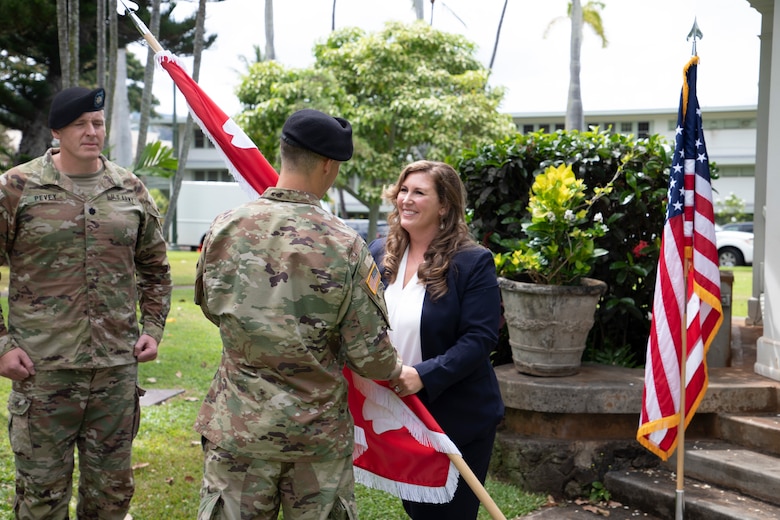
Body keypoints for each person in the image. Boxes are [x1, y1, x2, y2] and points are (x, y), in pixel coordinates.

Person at [194, 108, 405, 520]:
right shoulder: (346, 245)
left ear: (284, 153)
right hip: (315, 439)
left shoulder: (224, 227)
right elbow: (371, 356)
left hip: (239, 429)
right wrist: (398, 370)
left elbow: (210, 306)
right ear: (328, 164)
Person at [0, 86, 172, 518]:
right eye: (80, 124)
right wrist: (2, 344)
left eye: (97, 123)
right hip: (43, 373)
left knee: (111, 496)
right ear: (57, 131)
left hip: (114, 373)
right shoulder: (17, 187)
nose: (91, 131)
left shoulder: (129, 188)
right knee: (41, 498)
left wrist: (153, 327)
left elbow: (155, 267)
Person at [368, 160, 505, 520]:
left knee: (448, 515)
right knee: (418, 509)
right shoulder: (380, 254)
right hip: (400, 414)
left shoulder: (473, 263)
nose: (406, 200)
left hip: (457, 416)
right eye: (403, 190)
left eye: (419, 192)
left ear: (444, 205)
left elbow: (480, 338)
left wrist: (423, 375)